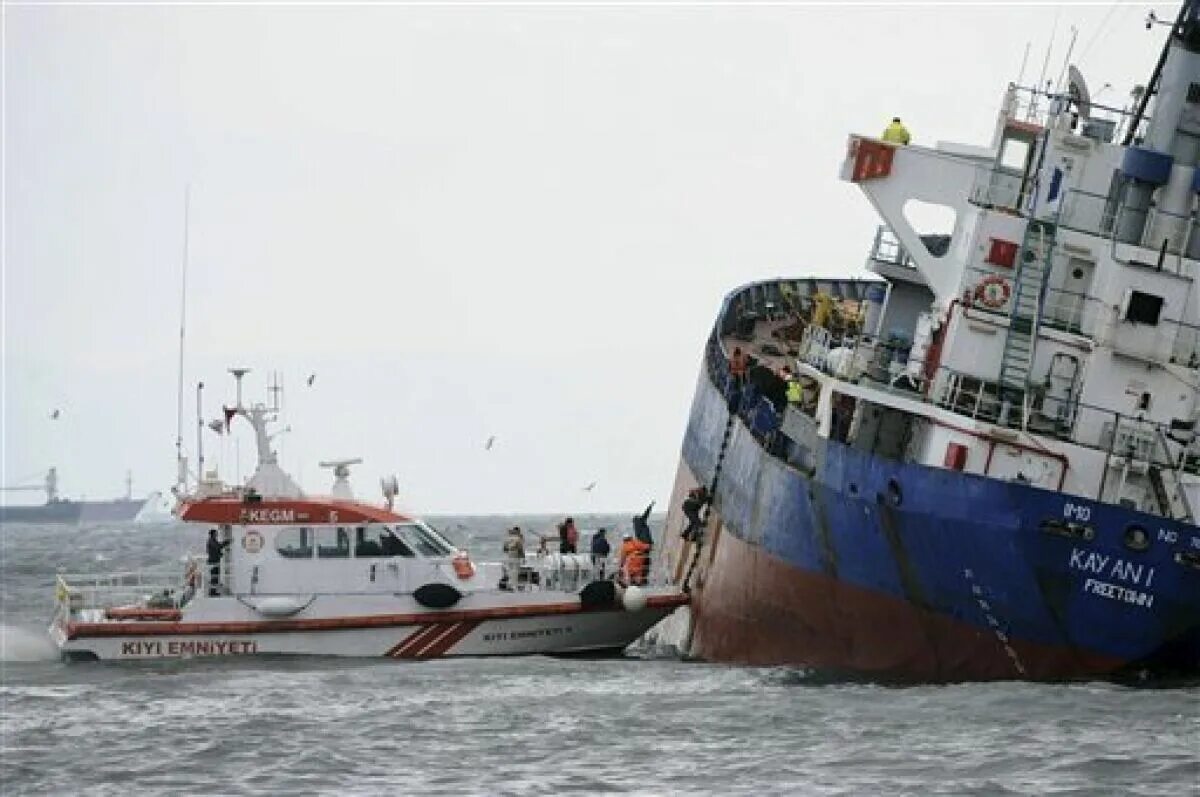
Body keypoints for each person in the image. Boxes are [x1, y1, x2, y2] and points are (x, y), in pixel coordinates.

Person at [206, 528, 231, 596]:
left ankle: (213, 591)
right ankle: (212, 592)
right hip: (213, 561)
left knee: (215, 576)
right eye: (216, 533)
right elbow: (218, 547)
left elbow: (217, 548)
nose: (217, 534)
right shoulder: (211, 541)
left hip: (214, 560)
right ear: (213, 534)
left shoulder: (212, 540)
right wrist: (226, 542)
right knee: (214, 576)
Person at [502, 526, 525, 590]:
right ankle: (514, 586)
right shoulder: (518, 538)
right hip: (516, 554)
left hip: (509, 555)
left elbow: (504, 549)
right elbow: (520, 549)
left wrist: (509, 549)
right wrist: (523, 557)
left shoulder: (508, 538)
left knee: (510, 570)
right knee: (515, 571)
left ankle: (509, 584)